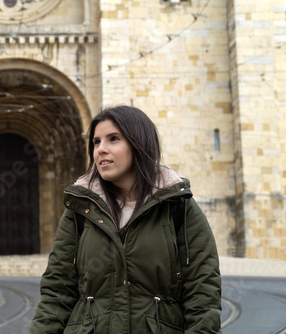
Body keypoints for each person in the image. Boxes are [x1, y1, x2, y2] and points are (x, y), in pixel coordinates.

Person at [29, 105, 221, 334]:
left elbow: (203, 292)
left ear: (139, 144)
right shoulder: (81, 207)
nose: (101, 149)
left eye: (113, 139)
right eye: (96, 142)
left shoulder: (177, 205)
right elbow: (57, 291)